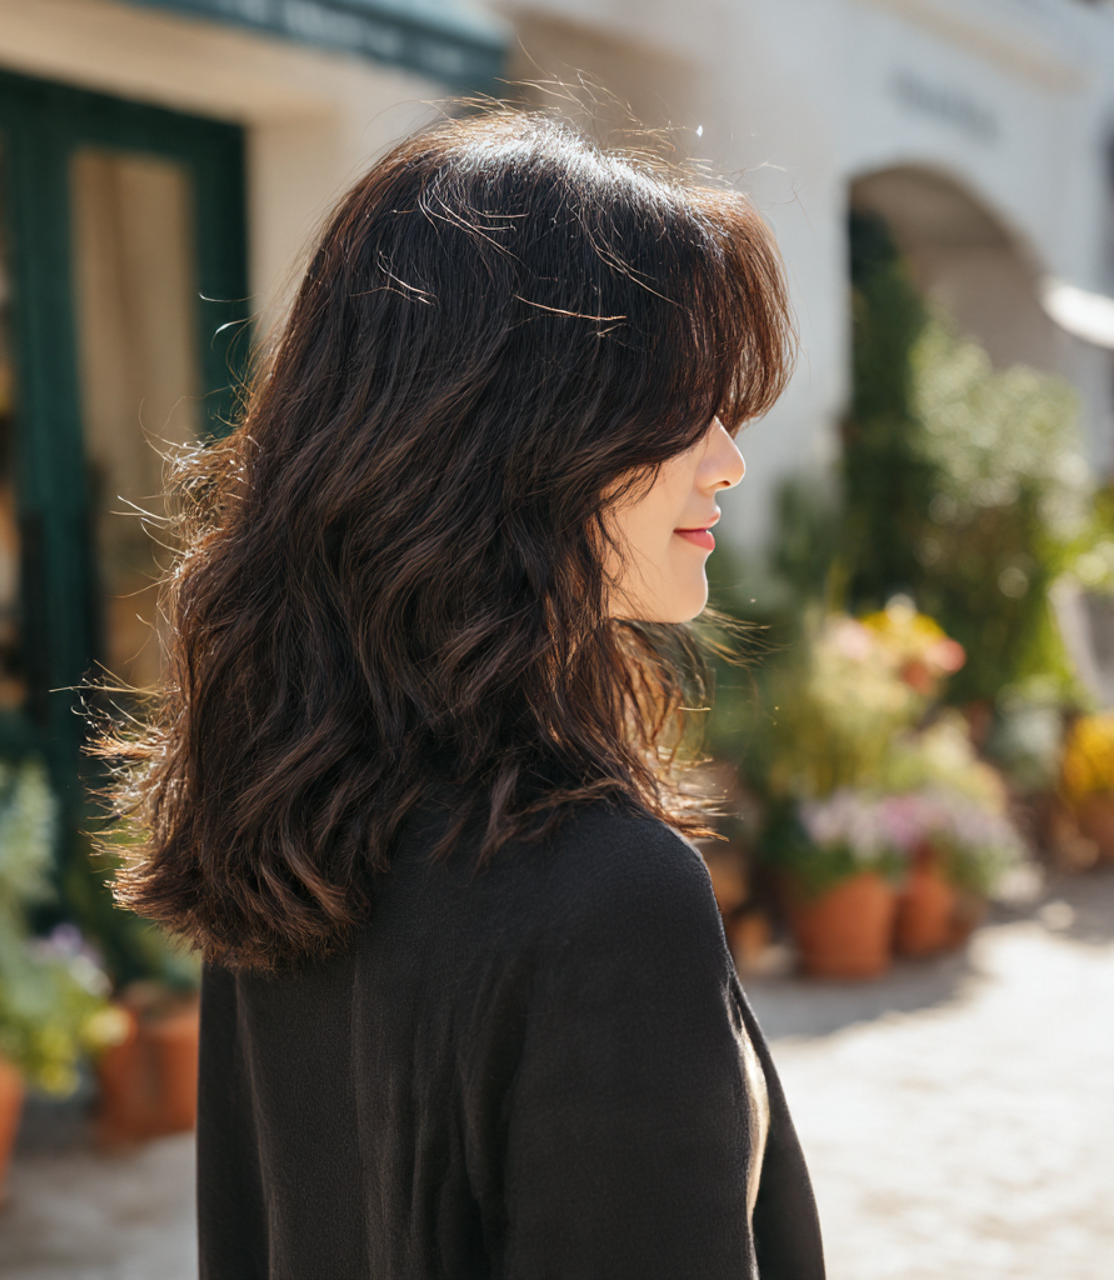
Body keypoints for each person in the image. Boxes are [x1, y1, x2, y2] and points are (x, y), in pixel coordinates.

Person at [104, 109, 825, 1279]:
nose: (726, 457)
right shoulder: (608, 893)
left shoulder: (287, 829)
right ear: (520, 431)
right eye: (676, 404)